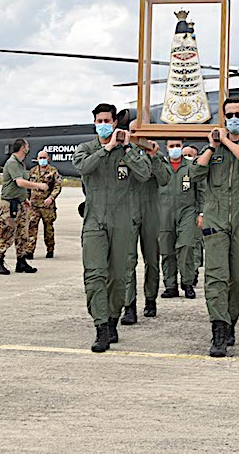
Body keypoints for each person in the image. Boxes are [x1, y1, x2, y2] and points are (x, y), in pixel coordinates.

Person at [190, 97, 239, 357]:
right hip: (216, 220)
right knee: (215, 276)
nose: (233, 119)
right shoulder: (214, 148)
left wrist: (226, 141)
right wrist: (212, 147)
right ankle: (218, 330)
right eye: (228, 115)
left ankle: (230, 319)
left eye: (237, 114)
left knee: (238, 279)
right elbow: (194, 174)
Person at [73, 103, 151, 352]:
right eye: (99, 120)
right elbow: (83, 167)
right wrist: (107, 148)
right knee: (94, 275)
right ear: (95, 123)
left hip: (122, 222)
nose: (103, 124)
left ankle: (113, 319)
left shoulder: (128, 151)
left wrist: (126, 147)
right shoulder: (86, 150)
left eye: (107, 120)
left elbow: (145, 174)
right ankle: (100, 327)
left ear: (116, 122)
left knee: (118, 277)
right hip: (95, 220)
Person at [121, 120, 170, 324]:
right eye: (132, 132)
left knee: (151, 259)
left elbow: (165, 179)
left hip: (150, 210)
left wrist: (153, 157)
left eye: (139, 133)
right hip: (128, 210)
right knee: (127, 261)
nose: (135, 137)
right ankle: (129, 306)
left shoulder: (156, 156)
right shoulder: (121, 154)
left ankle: (150, 298)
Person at [0, 139, 48, 275]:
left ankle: (21, 261)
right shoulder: (12, 163)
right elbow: (19, 182)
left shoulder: (20, 164)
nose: (28, 148)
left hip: (20, 203)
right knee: (6, 233)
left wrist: (25, 199)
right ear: (23, 148)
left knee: (22, 234)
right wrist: (38, 186)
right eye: (27, 146)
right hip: (9, 204)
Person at [159, 139, 204, 301]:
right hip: (163, 213)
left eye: (178, 146)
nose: (175, 149)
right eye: (171, 146)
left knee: (186, 247)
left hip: (187, 212)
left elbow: (201, 191)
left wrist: (202, 213)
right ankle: (170, 286)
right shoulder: (161, 166)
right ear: (167, 148)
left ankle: (188, 283)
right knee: (166, 250)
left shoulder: (191, 167)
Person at [25, 150, 63, 259]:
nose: (42, 160)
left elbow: (57, 187)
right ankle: (29, 251)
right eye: (40, 158)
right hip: (34, 206)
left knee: (49, 229)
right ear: (37, 159)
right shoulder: (32, 171)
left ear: (48, 159)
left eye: (44, 158)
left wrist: (51, 198)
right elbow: (28, 187)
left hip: (47, 207)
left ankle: (50, 249)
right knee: (31, 228)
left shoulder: (53, 171)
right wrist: (27, 199)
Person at [182, 145, 204, 286]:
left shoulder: (198, 172)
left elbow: (202, 193)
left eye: (190, 155)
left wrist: (201, 212)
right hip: (177, 213)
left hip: (193, 212)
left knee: (194, 245)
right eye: (185, 155)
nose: (187, 158)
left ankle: (193, 273)